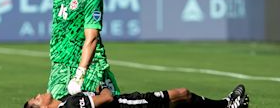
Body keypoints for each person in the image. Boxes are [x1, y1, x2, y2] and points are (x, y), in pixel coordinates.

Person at [24, 84, 249, 108]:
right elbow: (107, 98)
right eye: (36, 99)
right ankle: (226, 105)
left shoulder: (65, 99)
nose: (38, 95)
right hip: (128, 104)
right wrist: (103, 85)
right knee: (182, 94)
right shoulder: (72, 105)